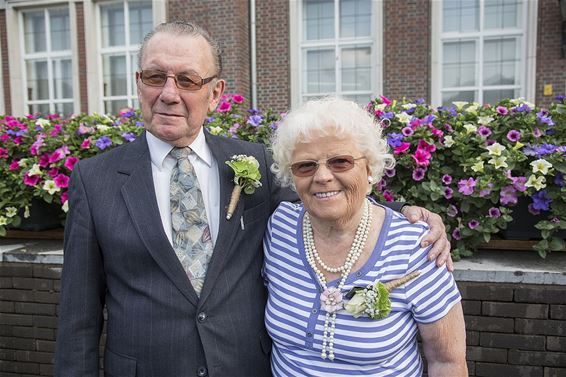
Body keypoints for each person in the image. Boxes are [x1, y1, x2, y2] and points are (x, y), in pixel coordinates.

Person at [55, 21, 453, 377]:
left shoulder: (253, 162)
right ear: (139, 82)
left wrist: (406, 213)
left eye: (188, 80)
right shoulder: (95, 180)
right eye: (156, 77)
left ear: (215, 93)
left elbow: (320, 190)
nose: (169, 94)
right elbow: (79, 317)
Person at [264, 98, 467, 376]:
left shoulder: (415, 245)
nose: (322, 176)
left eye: (340, 162)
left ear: (370, 167)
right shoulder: (279, 228)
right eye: (305, 166)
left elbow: (447, 362)